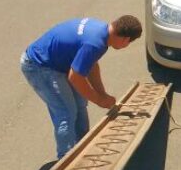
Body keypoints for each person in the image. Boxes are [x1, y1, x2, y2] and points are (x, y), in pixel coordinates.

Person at [21, 15, 142, 160]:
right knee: (66, 111)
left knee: (80, 104)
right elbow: (75, 77)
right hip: (39, 65)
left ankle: (82, 147)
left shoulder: (102, 32)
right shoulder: (95, 43)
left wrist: (102, 94)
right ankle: (65, 161)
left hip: (57, 63)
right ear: (126, 39)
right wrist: (99, 100)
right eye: (129, 43)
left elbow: (90, 65)